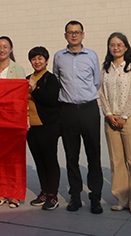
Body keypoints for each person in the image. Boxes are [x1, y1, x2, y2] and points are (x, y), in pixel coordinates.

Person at [53, 20, 103, 214]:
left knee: (94, 155)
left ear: (83, 35)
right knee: (71, 155)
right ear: (65, 35)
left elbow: (96, 82)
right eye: (70, 32)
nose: (74, 35)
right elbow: (57, 80)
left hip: (89, 110)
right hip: (68, 111)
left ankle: (95, 196)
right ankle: (75, 196)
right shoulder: (59, 57)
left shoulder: (92, 56)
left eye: (77, 32)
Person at [98, 33, 131, 215]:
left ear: (126, 47)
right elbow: (101, 93)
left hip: (130, 119)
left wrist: (124, 116)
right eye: (112, 45)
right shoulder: (105, 69)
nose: (115, 48)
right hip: (110, 119)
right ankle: (122, 199)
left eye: (119, 44)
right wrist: (109, 114)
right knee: (116, 161)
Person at [0, 36, 26, 208]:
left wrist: (25, 117)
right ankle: (2, 191)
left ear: (11, 49)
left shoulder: (17, 69)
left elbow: (22, 95)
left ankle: (15, 194)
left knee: (14, 158)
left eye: (5, 47)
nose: (2, 50)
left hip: (12, 118)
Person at [26, 46, 61, 211]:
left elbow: (50, 100)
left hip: (47, 127)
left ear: (46, 61)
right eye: (33, 59)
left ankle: (52, 195)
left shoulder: (50, 79)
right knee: (39, 161)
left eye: (40, 58)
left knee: (50, 161)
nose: (37, 61)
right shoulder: (27, 78)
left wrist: (35, 89)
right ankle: (44, 192)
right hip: (31, 128)